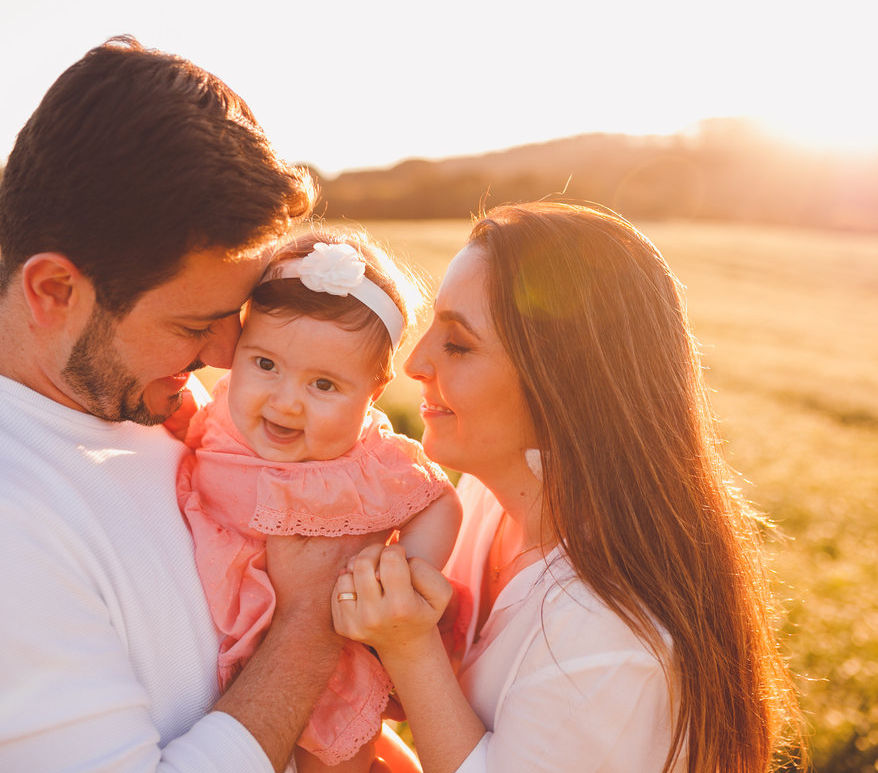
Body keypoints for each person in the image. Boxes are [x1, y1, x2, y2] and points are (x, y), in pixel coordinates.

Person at [0, 37, 375, 773]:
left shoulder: (151, 407)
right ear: (55, 290)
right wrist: (313, 624)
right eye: (193, 325)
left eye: (234, 316)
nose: (226, 356)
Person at [331, 202, 804, 773]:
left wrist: (411, 650)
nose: (414, 362)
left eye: (457, 344)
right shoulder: (486, 498)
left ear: (559, 385)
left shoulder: (608, 629)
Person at [177, 229, 462, 771]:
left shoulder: (364, 463)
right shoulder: (222, 415)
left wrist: (393, 582)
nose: (285, 402)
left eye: (324, 385)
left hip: (330, 662)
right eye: (265, 365)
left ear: (373, 392)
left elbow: (438, 500)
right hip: (233, 651)